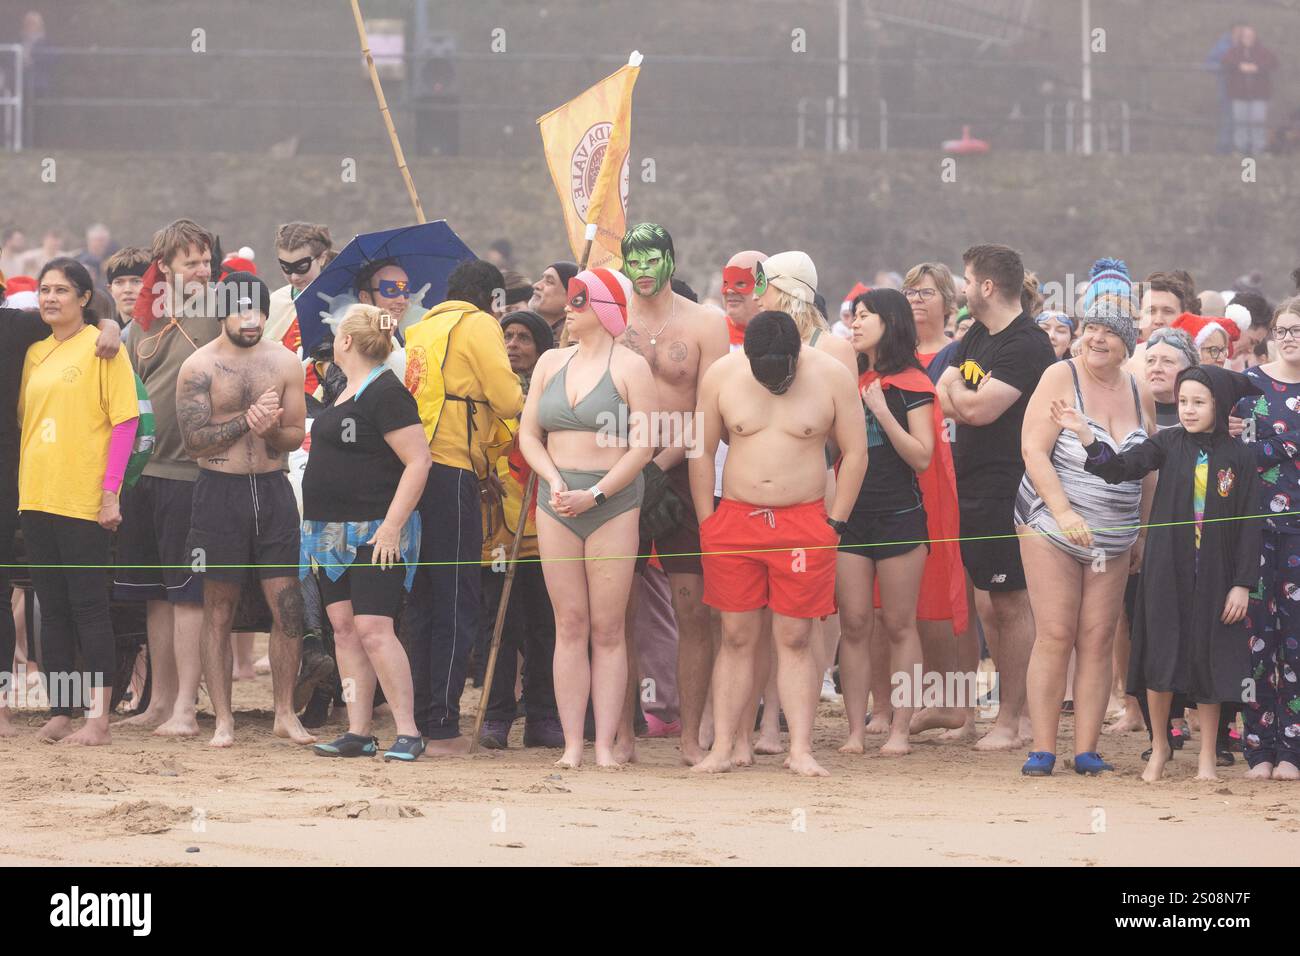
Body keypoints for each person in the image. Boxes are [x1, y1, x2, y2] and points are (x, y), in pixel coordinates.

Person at [689, 310, 867, 776]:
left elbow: (855, 452)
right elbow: (701, 451)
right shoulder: (722, 375)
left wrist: (836, 522)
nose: (774, 386)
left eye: (782, 378)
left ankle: (801, 749)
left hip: (804, 522)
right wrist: (707, 522)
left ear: (796, 356)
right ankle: (724, 746)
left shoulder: (831, 375)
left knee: (795, 637)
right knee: (735, 635)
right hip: (736, 520)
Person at [1071, 364, 1262, 782]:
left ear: (1220, 405)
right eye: (1184, 402)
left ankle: (1208, 756)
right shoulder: (1167, 443)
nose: (1189, 410)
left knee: (1210, 661)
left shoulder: (1241, 457)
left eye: (1199, 402)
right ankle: (1160, 748)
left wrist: (1242, 584)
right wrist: (1087, 437)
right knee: (1160, 659)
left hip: (1217, 580)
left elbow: (1251, 527)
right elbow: (1118, 469)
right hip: (1165, 575)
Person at [519, 268, 655, 767]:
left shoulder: (631, 367)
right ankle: (573, 744)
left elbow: (643, 445)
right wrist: (554, 481)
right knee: (569, 623)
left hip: (612, 501)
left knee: (608, 626)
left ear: (602, 308)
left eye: (579, 301)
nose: (569, 309)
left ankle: (605, 744)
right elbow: (528, 434)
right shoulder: (551, 362)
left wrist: (594, 494)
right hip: (557, 499)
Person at [1017, 298, 1152, 775]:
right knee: (1055, 632)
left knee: (1097, 637)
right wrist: (1064, 510)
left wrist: (1142, 533)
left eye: (1109, 332)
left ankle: (1087, 749)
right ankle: (1044, 746)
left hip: (1115, 533)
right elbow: (1033, 448)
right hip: (1051, 522)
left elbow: (1147, 467)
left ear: (1126, 344)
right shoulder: (1061, 377)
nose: (1097, 337)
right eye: (1091, 326)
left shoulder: (1138, 390)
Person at [175, 271, 310, 747]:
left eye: (257, 311)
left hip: (273, 490)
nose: (250, 320)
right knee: (218, 607)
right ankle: (225, 720)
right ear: (222, 312)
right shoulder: (199, 366)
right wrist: (244, 424)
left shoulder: (285, 362)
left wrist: (271, 431)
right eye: (240, 311)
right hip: (220, 492)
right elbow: (193, 442)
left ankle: (285, 712)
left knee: (288, 604)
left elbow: (294, 433)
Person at [616, 223, 729, 766]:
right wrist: (628, 466)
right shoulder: (612, 317)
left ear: (669, 259)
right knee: (618, 609)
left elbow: (711, 410)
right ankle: (622, 733)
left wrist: (662, 463)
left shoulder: (706, 322)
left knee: (694, 608)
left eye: (650, 258)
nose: (641, 269)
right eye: (632, 259)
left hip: (685, 471)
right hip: (617, 470)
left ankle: (690, 734)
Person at [937, 243, 1056, 751]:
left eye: (966, 280)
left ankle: (1015, 719)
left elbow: (980, 410)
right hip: (974, 483)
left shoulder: (1027, 344)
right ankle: (1008, 715)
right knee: (990, 601)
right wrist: (964, 400)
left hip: (1012, 485)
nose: (962, 290)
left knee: (1012, 602)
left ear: (987, 286)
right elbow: (943, 386)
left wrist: (961, 401)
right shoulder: (978, 336)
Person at [402, 259, 523, 753]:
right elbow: (508, 398)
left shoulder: (420, 328)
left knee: (423, 603)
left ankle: (419, 722)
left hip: (412, 477)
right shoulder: (478, 325)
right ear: (491, 299)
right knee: (457, 600)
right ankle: (445, 728)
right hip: (453, 473)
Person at [300, 304, 430, 761]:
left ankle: (409, 730)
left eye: (336, 333)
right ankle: (358, 730)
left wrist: (393, 527)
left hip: (375, 529)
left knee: (375, 627)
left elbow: (419, 460)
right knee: (343, 629)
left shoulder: (386, 392)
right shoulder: (342, 389)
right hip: (328, 532)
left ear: (348, 341)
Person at [17, 258, 138, 744]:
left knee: (89, 607)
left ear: (84, 298)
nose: (50, 298)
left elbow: (125, 423)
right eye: (45, 290)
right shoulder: (34, 353)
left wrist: (109, 493)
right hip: (38, 496)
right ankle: (61, 711)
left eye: (62, 291)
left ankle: (99, 719)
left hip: (84, 498)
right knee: (54, 606)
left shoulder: (103, 347)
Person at [113, 219, 221, 736]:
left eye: (206, 261)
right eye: (190, 263)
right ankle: (158, 701)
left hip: (193, 472)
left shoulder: (221, 312)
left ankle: (185, 708)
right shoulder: (142, 321)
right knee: (157, 593)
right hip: (143, 469)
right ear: (167, 267)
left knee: (188, 593)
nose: (201, 271)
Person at [837, 289, 944, 757]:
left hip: (900, 517)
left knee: (900, 624)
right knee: (855, 624)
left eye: (865, 316)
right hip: (850, 517)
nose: (855, 324)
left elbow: (922, 457)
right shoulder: (848, 377)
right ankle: (856, 731)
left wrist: (882, 410)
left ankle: (901, 728)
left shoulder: (913, 383)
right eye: (853, 317)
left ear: (891, 322)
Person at [478, 309, 563, 750]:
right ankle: (495, 717)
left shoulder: (556, 393)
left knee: (544, 625)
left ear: (541, 345)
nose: (512, 344)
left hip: (545, 523)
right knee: (499, 625)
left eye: (523, 337)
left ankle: (543, 715)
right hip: (496, 530)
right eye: (506, 336)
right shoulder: (488, 392)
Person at [1237, 297, 1300, 780]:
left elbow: (1260, 448)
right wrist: (1285, 443)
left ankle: (1293, 749)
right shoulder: (1250, 384)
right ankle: (1258, 746)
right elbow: (1238, 455)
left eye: (1297, 330)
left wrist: (1269, 446)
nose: (1289, 337)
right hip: (1255, 529)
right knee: (1257, 639)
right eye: (1282, 330)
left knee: (1296, 642)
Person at [267, 222, 332, 345]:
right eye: (285, 267)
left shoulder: (344, 298)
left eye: (302, 267)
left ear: (322, 258)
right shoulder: (275, 301)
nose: (294, 277)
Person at [1222, 25, 1279, 155]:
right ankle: (1241, 148)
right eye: (1245, 36)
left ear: (1255, 37)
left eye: (1250, 36)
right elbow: (1225, 61)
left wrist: (1257, 67)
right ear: (1241, 38)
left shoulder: (1263, 51)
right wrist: (1239, 66)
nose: (1248, 38)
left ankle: (1258, 149)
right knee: (1240, 122)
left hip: (1259, 95)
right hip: (1239, 94)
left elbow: (1273, 62)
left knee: (1258, 122)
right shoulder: (1234, 51)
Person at [529, 261, 579, 343]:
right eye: (542, 279)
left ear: (571, 298)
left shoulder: (573, 345)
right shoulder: (533, 334)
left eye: (549, 282)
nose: (536, 285)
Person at [103, 246, 151, 328]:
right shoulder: (99, 334)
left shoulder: (167, 332)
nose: (127, 290)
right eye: (119, 282)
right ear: (110, 290)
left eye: (136, 281)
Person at [75, 224, 117, 291]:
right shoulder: (80, 260)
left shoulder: (114, 259)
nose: (101, 244)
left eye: (104, 240)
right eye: (98, 240)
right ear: (89, 241)